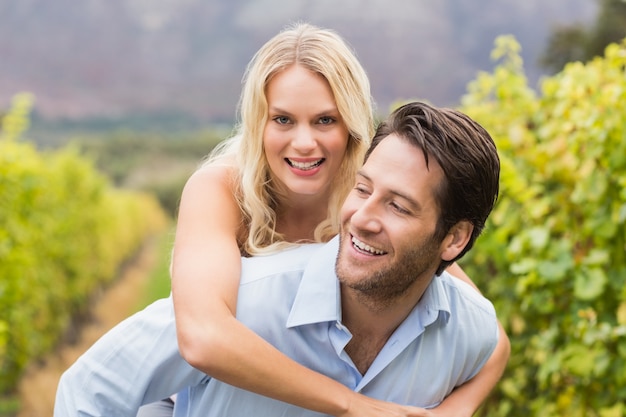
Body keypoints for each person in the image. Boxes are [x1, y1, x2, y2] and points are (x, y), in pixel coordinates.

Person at [54, 101, 503, 417]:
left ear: (454, 239)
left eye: (398, 206)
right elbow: (89, 392)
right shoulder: (246, 302)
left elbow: (491, 341)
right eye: (362, 189)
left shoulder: (467, 332)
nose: (361, 218)